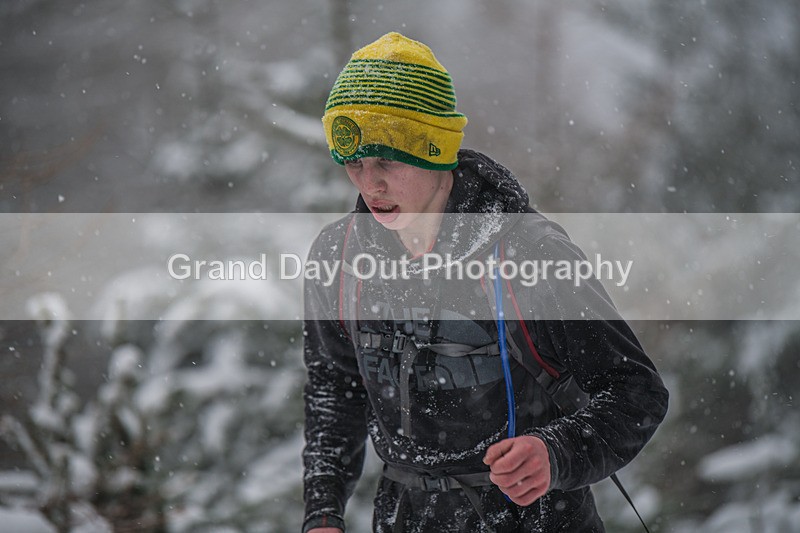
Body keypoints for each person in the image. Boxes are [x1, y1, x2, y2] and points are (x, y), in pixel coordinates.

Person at [302, 32, 668, 533]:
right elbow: (335, 388)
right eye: (355, 164)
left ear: (434, 150)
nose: (371, 185)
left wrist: (553, 453)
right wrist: (323, 511)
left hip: (533, 520)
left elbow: (635, 391)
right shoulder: (340, 255)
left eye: (387, 160)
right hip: (404, 516)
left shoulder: (527, 251)